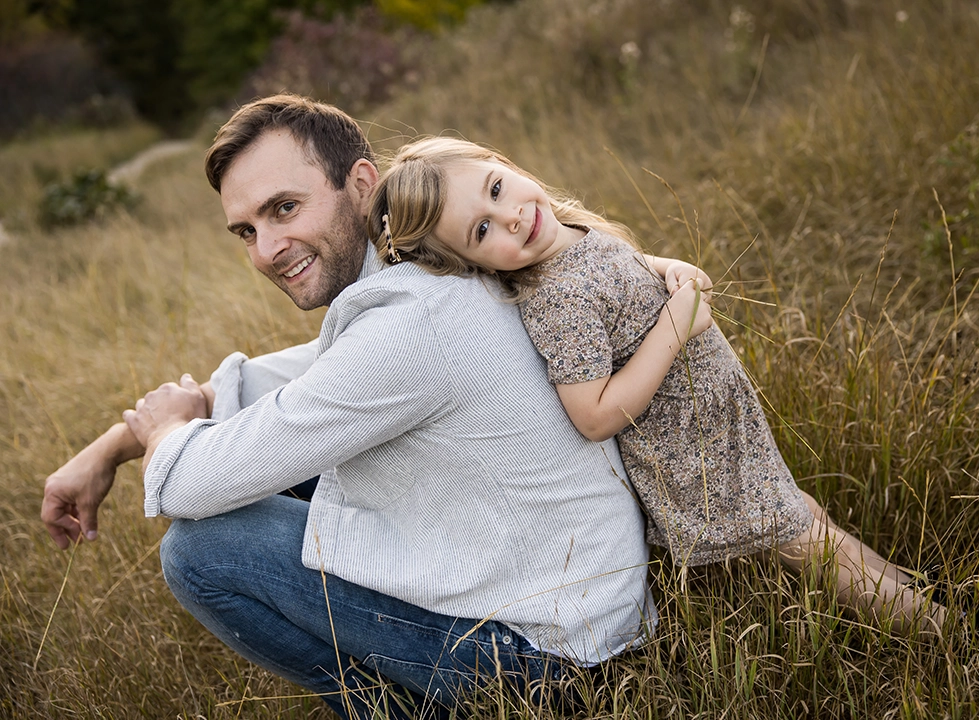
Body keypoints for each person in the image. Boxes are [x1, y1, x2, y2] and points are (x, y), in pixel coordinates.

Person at [42, 95, 657, 720]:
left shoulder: (408, 329)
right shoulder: (431, 266)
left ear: (361, 183)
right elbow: (269, 389)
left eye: (285, 209)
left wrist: (168, 433)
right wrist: (109, 449)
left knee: (204, 550)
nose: (266, 250)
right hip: (583, 616)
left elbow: (187, 483)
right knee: (291, 462)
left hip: (548, 666)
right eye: (247, 231)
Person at [365, 136, 945, 633]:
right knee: (805, 543)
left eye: (495, 189)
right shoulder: (557, 299)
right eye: (483, 229)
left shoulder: (569, 232)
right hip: (692, 454)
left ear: (503, 163)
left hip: (718, 423)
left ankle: (920, 590)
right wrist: (677, 322)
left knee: (804, 516)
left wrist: (664, 269)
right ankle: (946, 632)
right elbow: (592, 414)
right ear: (475, 264)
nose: (511, 216)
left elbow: (618, 273)